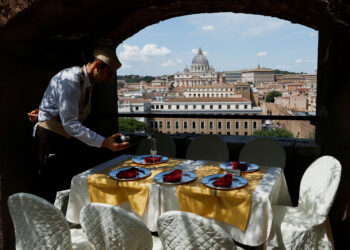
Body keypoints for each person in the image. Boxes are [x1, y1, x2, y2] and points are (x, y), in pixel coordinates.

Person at [28, 47, 130, 202]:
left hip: (61, 136)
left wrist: (45, 111)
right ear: (97, 66)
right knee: (48, 188)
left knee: (62, 185)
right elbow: (70, 123)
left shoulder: (86, 81)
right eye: (109, 74)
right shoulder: (70, 80)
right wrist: (103, 142)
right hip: (50, 136)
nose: (109, 79)